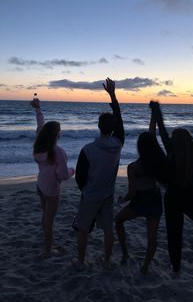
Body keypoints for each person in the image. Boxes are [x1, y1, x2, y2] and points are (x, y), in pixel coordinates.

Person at [152, 86, 193, 272]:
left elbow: (163, 133)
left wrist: (156, 112)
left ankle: (175, 265)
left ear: (174, 143)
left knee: (174, 232)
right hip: (192, 196)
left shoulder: (171, 152)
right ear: (190, 139)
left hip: (172, 196)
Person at [74, 78, 124, 271]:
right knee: (108, 229)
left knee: (83, 228)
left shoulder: (88, 150)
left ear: (98, 126)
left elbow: (80, 177)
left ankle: (80, 261)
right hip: (107, 194)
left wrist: (86, 189)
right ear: (111, 129)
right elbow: (120, 122)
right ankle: (107, 260)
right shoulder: (118, 144)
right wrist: (112, 95)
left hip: (91, 195)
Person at [115, 102, 167, 275]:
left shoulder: (133, 168)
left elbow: (131, 194)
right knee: (152, 237)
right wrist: (154, 115)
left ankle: (125, 254)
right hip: (154, 201)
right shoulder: (157, 163)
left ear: (139, 147)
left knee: (119, 220)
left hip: (140, 202)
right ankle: (145, 267)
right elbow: (151, 134)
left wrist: (122, 199)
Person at [31, 98, 74, 258]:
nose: (61, 132)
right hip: (52, 191)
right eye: (59, 130)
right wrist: (72, 171)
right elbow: (62, 175)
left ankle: (45, 237)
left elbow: (40, 125)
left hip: (40, 185)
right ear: (56, 134)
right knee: (49, 221)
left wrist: (38, 109)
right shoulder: (59, 153)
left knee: (45, 216)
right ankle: (49, 250)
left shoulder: (39, 144)